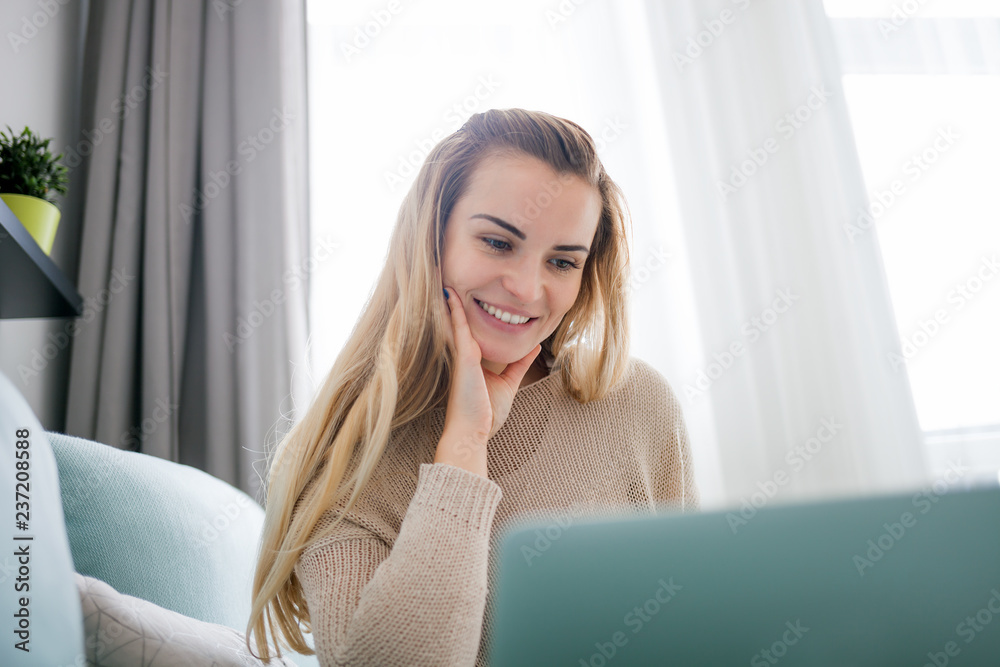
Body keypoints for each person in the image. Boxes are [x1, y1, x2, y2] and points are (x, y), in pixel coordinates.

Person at [245, 108, 698, 666]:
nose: (528, 288)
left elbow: (689, 629)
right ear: (431, 237)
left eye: (561, 261)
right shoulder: (347, 460)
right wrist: (464, 447)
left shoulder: (636, 403)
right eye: (498, 243)